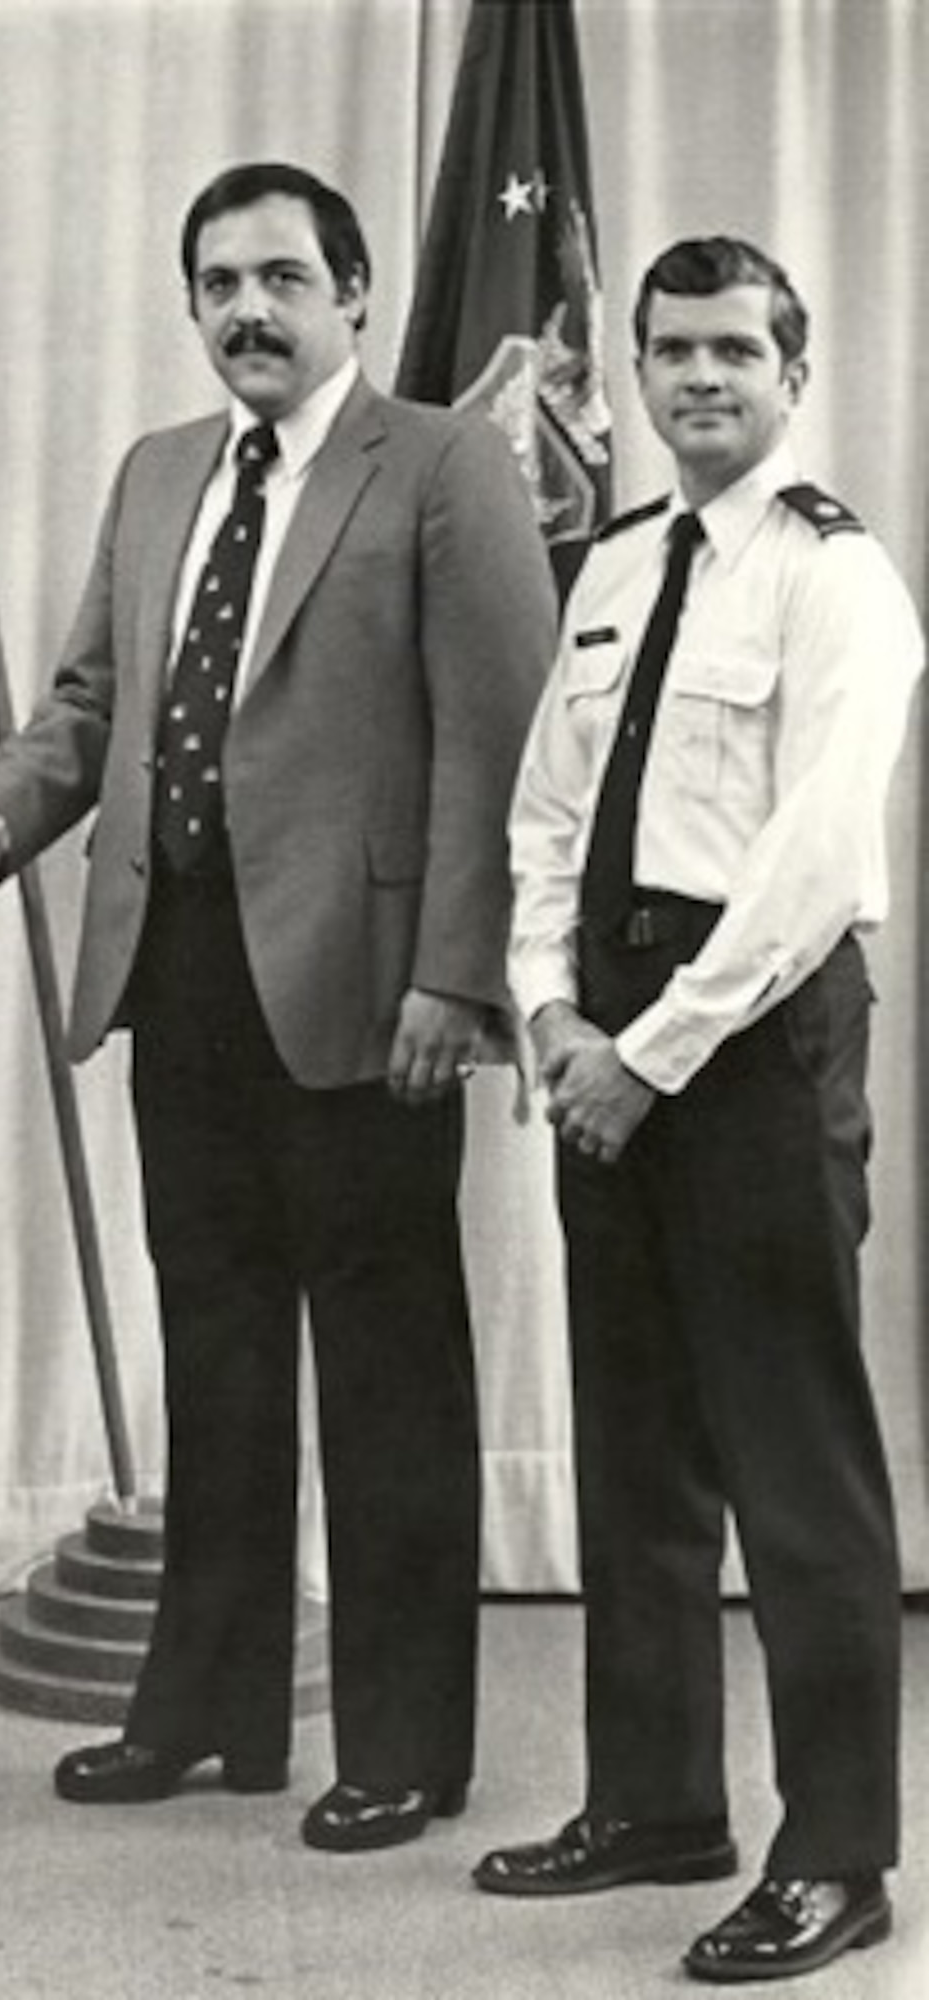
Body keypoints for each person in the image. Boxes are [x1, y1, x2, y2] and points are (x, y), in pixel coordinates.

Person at [0, 161, 555, 1851]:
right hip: (176, 975)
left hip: (365, 993)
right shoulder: (156, 478)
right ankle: (202, 1712)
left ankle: (407, 1748)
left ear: (351, 293)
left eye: (281, 276)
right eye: (216, 283)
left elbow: (497, 745)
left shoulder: (440, 466)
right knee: (212, 1357)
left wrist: (453, 975)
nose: (247, 311)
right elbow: (84, 708)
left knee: (385, 1373)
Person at [484, 236, 923, 1981]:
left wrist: (642, 1049)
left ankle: (839, 1856)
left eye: (734, 349)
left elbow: (813, 861)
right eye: (669, 351)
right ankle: (656, 1802)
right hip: (605, 1035)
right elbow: (543, 816)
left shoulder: (838, 582)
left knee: (791, 1461)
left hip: (742, 1042)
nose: (697, 379)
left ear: (791, 373)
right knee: (636, 1449)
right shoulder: (604, 571)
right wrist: (541, 1009)